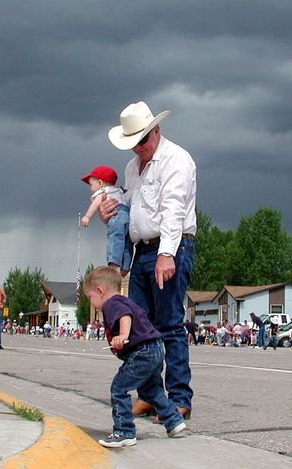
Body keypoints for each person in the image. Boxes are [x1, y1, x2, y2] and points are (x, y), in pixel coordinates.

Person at [100, 101, 196, 421]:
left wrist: (167, 253)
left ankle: (180, 398)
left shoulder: (176, 160)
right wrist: (110, 213)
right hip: (143, 250)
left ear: (156, 130)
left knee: (169, 324)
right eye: (133, 144)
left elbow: (174, 210)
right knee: (143, 329)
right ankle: (151, 396)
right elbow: (129, 208)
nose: (139, 148)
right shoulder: (132, 167)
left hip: (171, 247)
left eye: (142, 140)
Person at [83, 266, 187, 448]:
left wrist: (123, 336)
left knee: (118, 388)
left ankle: (124, 431)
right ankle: (174, 421)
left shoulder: (111, 304)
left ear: (100, 290)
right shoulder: (124, 300)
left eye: (90, 298)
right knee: (151, 390)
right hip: (155, 348)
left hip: (142, 352)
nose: (91, 303)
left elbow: (125, 316)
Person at [81, 165, 133, 275]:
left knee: (115, 237)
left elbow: (95, 204)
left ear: (100, 183)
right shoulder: (119, 190)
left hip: (116, 214)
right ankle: (125, 266)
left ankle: (113, 265)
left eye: (91, 185)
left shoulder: (103, 192)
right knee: (127, 241)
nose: (90, 188)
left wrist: (87, 217)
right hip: (127, 216)